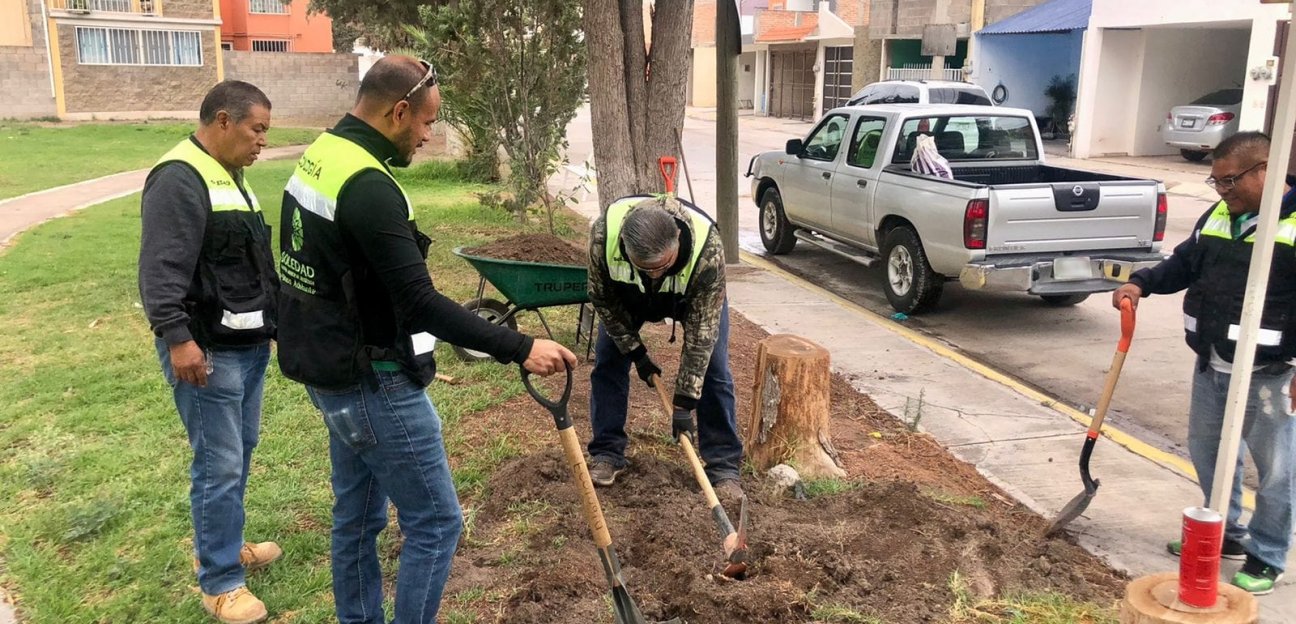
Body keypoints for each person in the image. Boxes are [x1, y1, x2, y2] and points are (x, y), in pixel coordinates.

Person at [274, 55, 577, 624]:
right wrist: (519, 345)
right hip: (374, 380)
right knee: (437, 523)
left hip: (330, 368)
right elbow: (419, 302)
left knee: (357, 521)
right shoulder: (368, 186)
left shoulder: (323, 156)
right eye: (427, 123)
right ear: (399, 111)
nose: (427, 135)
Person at [1112, 131, 1296, 596]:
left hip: (1271, 374)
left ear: (1266, 171)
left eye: (1229, 181)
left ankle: (1267, 555)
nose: (1222, 191)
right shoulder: (1219, 214)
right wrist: (1141, 283)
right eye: (1215, 182)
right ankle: (1225, 533)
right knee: (1211, 454)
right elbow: (1184, 263)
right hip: (1212, 363)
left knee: (1276, 472)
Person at [138, 80, 282, 624]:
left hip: (244, 346)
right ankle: (220, 581)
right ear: (223, 120)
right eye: (257, 129)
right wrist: (179, 340)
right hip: (205, 352)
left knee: (238, 452)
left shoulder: (231, 177)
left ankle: (224, 543)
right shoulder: (180, 178)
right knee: (218, 465)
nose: (263, 141)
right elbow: (160, 270)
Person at [586, 194, 743, 501]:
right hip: (628, 296)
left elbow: (701, 337)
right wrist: (636, 353)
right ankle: (607, 453)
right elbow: (602, 298)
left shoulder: (706, 249)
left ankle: (723, 466)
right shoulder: (603, 235)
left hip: (690, 298)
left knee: (714, 368)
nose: (654, 273)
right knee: (608, 361)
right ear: (625, 247)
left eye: (661, 265)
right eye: (645, 267)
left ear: (678, 238)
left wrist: (684, 401)